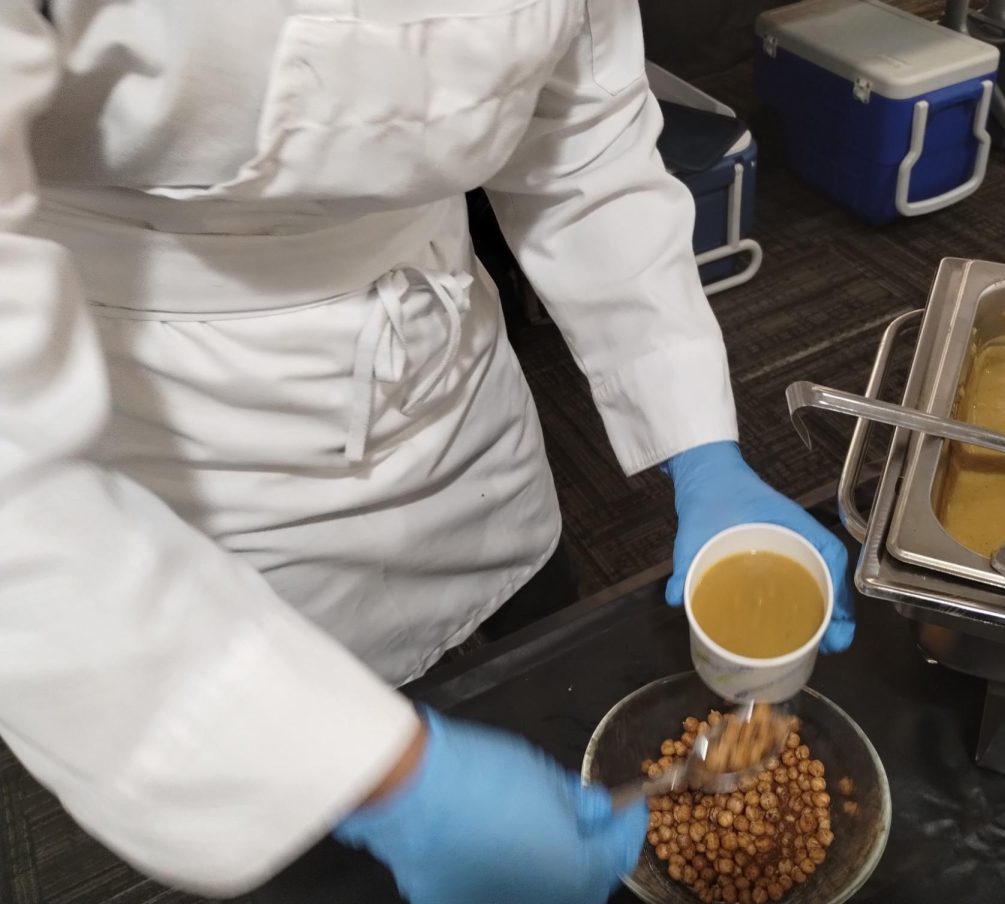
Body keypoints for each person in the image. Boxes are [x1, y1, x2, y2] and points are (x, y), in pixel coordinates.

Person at [0, 3, 854, 903]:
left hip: (455, 387)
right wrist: (389, 788)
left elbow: (582, 139)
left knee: (546, 692)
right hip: (187, 445)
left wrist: (699, 445)